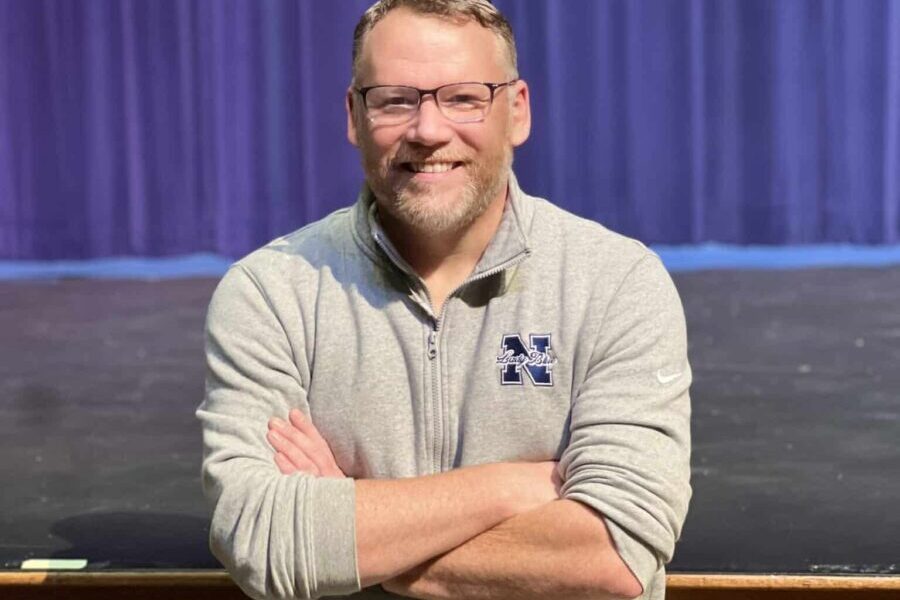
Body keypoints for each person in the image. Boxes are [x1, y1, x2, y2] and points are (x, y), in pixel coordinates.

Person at [196, 1, 691, 599]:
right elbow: (265, 540)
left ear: (517, 112)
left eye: (463, 97)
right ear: (354, 115)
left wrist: (352, 533)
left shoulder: (616, 282)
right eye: (395, 99)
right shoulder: (271, 292)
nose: (428, 131)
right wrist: (513, 487)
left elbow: (616, 553)